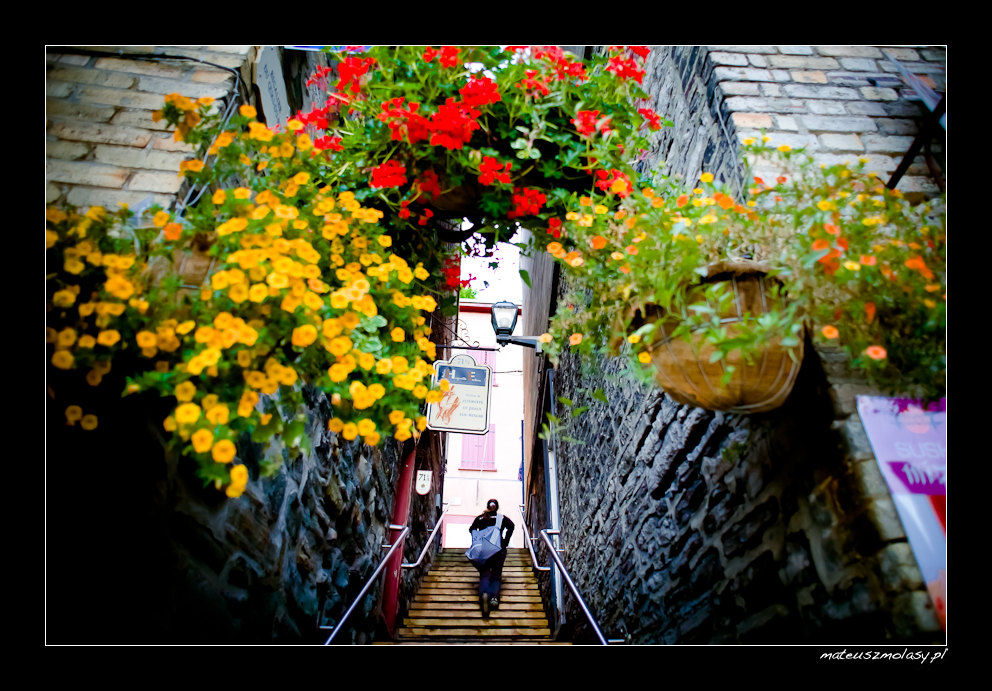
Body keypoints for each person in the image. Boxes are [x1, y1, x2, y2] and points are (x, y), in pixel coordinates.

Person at [468, 499, 515, 618]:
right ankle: (494, 597)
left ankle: (484, 593)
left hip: (483, 550)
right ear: (497, 507)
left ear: (488, 506)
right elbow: (511, 526)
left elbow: (471, 530)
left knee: (484, 574)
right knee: (496, 575)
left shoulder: (480, 518)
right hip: (498, 550)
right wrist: (505, 541)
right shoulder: (501, 518)